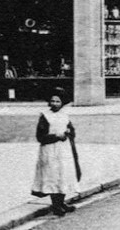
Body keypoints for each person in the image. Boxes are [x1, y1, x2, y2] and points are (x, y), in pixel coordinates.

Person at [31, 88, 79, 216]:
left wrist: (69, 133)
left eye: (58, 101)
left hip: (63, 149)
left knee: (63, 174)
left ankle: (62, 202)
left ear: (62, 103)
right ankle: (55, 205)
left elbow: (71, 130)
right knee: (52, 175)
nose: (55, 104)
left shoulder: (65, 115)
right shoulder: (45, 116)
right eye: (52, 101)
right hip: (50, 150)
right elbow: (40, 137)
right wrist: (57, 137)